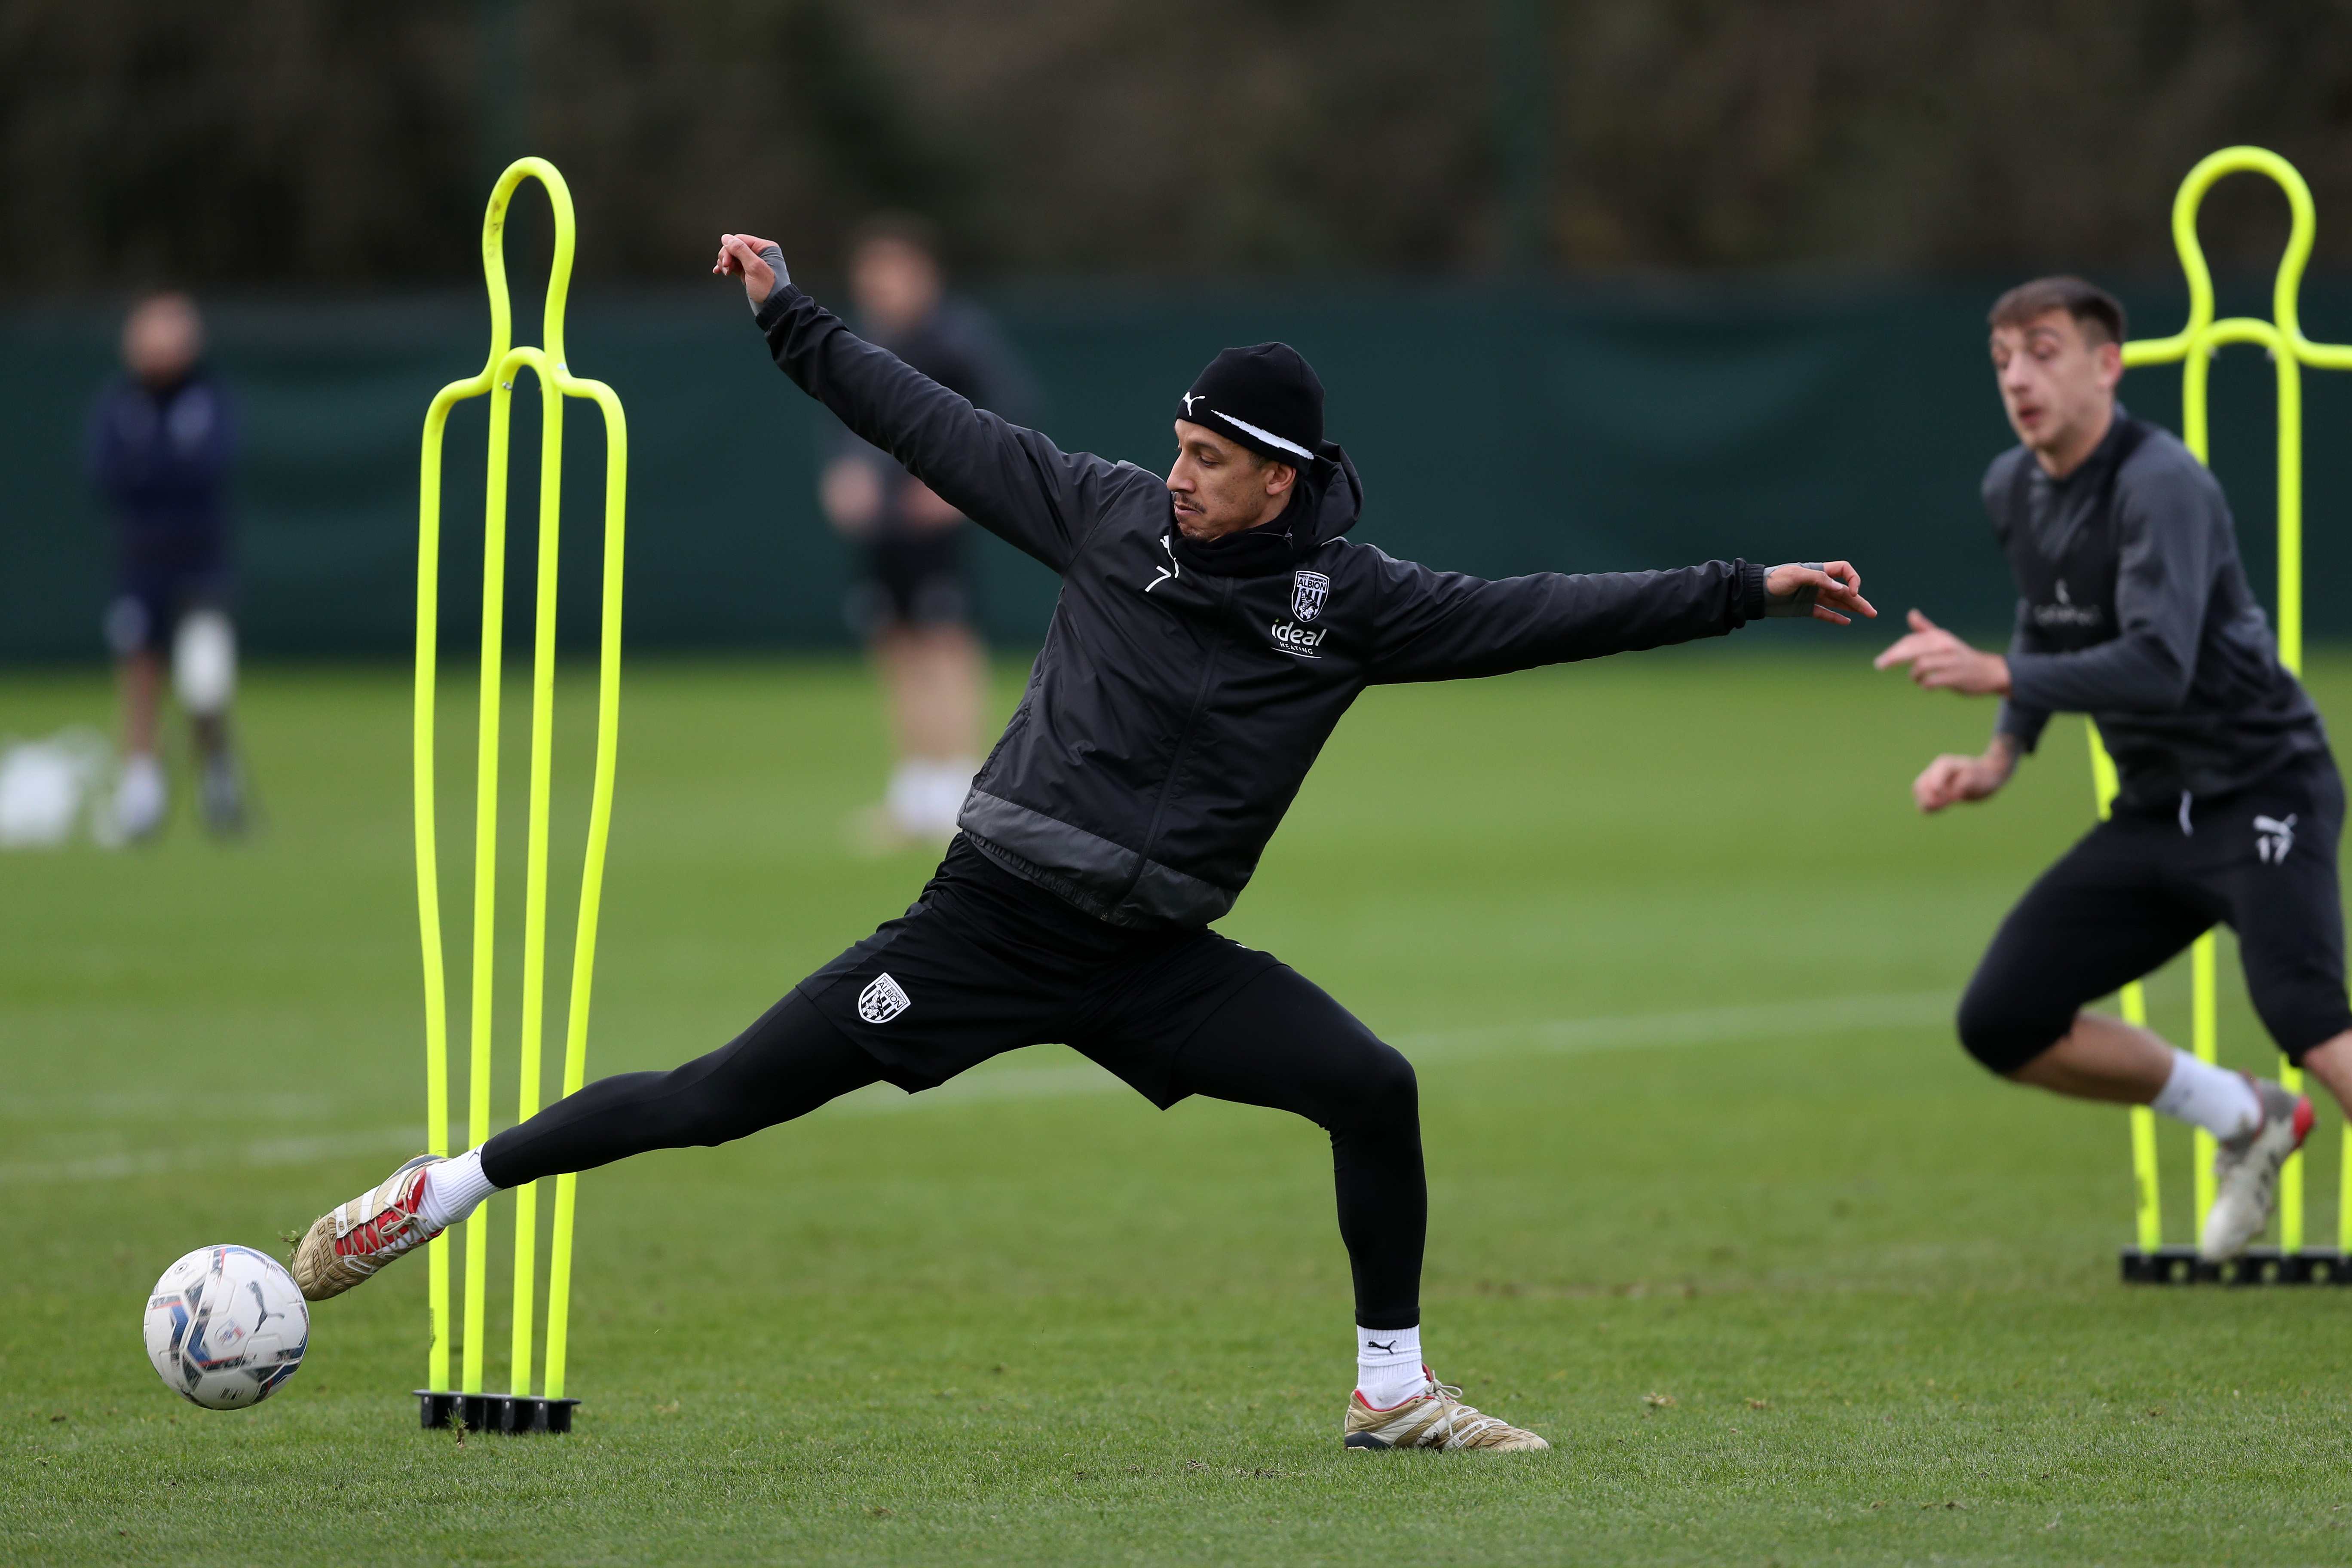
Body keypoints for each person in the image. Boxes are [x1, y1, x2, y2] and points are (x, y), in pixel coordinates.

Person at [290, 230, 1874, 1453]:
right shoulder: (1106, 511)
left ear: (1283, 478)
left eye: (1206, 459)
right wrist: (791, 315)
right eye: (1175, 447)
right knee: (714, 1098)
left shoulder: (1356, 603)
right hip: (982, 928)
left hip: (1152, 963)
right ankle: (438, 1190)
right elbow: (927, 423)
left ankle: (1388, 1389)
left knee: (1369, 1086)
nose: (1174, 474)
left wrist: (1747, 585)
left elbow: (1547, 613)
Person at [1875, 276, 2350, 1262]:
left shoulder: (2159, 481)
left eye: (2042, 351)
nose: (2017, 376)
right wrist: (2000, 754)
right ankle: (2244, 1115)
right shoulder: (2011, 485)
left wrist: (1999, 673)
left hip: (2263, 785)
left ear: (2106, 362)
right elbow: (2045, 619)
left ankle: (2277, 1089)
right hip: (2153, 812)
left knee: (2304, 1016)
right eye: (2001, 357)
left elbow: (2155, 662)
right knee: (2001, 1020)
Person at [819, 215, 1038, 845]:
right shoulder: (864, 342)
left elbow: (1011, 410)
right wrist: (844, 475)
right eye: (870, 274)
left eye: (891, 271)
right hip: (882, 527)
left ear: (923, 273)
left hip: (933, 526)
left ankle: (967, 795)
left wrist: (960, 490)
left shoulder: (959, 339)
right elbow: (841, 421)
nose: (880, 286)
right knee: (893, 641)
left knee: (946, 645)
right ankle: (915, 795)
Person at [87, 291, 245, 839]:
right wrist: (161, 469)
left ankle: (218, 779)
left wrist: (153, 470)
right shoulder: (121, 404)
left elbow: (209, 466)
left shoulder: (207, 398)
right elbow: (106, 473)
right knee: (140, 670)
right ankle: (142, 789)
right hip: (141, 563)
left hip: (200, 564)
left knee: (206, 683)